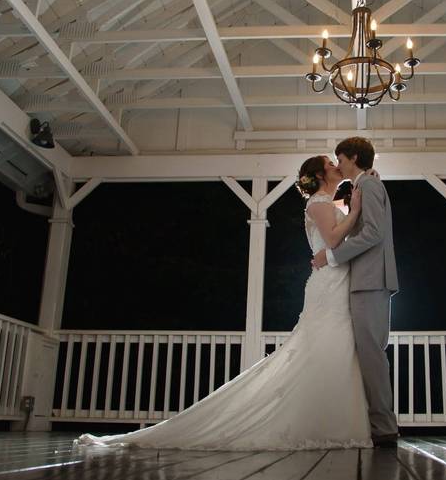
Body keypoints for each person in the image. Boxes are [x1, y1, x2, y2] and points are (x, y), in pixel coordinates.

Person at [73, 154, 372, 450]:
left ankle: (328, 422)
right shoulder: (318, 202)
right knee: (324, 347)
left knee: (336, 349)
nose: (336, 166)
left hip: (337, 281)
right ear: (320, 175)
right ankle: (324, 426)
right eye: (331, 164)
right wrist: (355, 211)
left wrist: (350, 207)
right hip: (328, 287)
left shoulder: (329, 202)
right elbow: (333, 241)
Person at [312, 137, 399, 447]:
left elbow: (374, 233)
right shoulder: (365, 185)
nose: (338, 163)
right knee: (366, 353)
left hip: (370, 279)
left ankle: (384, 428)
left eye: (341, 158)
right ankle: (374, 423)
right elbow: (346, 225)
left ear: (354, 157)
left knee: (372, 353)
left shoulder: (370, 186)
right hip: (363, 280)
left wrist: (332, 257)